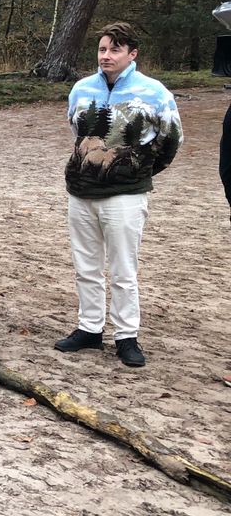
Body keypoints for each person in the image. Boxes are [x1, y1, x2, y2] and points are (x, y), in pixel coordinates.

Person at [55, 22, 183, 368]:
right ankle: (89, 328)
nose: (106, 56)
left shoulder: (154, 92)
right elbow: (75, 130)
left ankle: (126, 335)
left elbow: (170, 140)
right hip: (81, 192)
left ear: (132, 54)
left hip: (125, 195)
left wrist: (139, 170)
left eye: (114, 49)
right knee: (87, 266)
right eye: (102, 49)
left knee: (123, 269)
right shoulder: (81, 89)